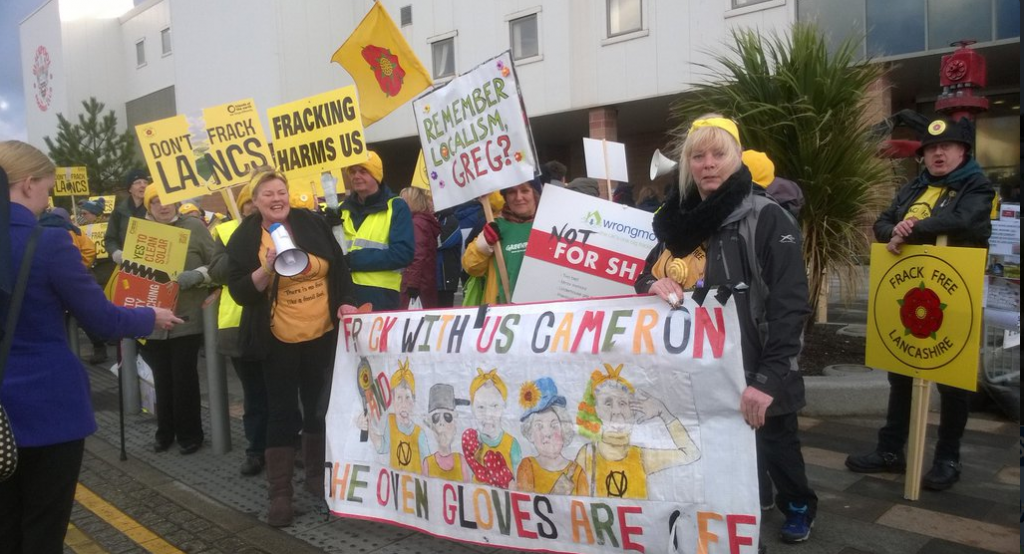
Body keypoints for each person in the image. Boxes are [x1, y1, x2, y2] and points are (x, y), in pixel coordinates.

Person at [634, 115, 817, 542]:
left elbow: (790, 305)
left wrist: (769, 378)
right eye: (698, 156)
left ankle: (798, 506)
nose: (708, 164)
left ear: (737, 159)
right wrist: (651, 283)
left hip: (759, 359)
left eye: (719, 154)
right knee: (728, 444)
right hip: (706, 364)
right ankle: (757, 496)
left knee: (778, 442)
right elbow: (645, 273)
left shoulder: (768, 218)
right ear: (688, 165)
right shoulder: (676, 221)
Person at [0, 140, 181, 554]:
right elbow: (101, 320)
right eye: (47, 189)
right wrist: (150, 317)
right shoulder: (45, 244)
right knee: (43, 528)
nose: (48, 200)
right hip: (46, 408)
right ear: (28, 184)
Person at [845, 115, 994, 491]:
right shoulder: (913, 188)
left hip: (954, 295)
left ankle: (948, 456)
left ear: (963, 151)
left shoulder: (977, 186)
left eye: (946, 147)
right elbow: (881, 223)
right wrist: (893, 231)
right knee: (900, 372)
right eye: (931, 149)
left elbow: (965, 220)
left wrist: (910, 229)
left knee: (952, 380)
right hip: (910, 292)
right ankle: (891, 450)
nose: (938, 153)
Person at [227, 168, 355, 527]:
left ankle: (315, 477)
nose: (276, 198)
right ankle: (280, 493)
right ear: (255, 202)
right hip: (276, 340)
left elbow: (339, 269)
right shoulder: (244, 238)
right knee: (281, 412)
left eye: (280, 191)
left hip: (322, 332)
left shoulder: (310, 223)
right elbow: (239, 292)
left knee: (318, 406)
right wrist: (266, 270)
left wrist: (345, 300)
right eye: (267, 194)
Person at [137, 185, 217, 457]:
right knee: (161, 378)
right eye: (156, 201)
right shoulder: (142, 232)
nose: (163, 206)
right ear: (148, 206)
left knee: (184, 378)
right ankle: (165, 432)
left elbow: (217, 263)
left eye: (167, 200)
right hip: (154, 320)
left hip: (186, 317)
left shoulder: (194, 226)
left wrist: (198, 275)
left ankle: (190, 434)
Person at [208, 179, 271, 476]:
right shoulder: (225, 231)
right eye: (247, 203)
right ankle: (256, 450)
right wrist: (240, 248)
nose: (251, 208)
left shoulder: (279, 229)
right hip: (238, 325)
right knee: (255, 393)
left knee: (282, 391)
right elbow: (217, 272)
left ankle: (285, 446)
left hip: (277, 323)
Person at [573, 364, 699, 499]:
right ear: (595, 410)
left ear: (633, 410)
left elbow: (691, 453)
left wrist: (664, 413)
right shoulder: (586, 456)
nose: (616, 412)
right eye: (608, 404)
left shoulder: (641, 457)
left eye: (622, 403)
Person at [338, 151, 414, 311]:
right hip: (344, 294)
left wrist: (352, 261)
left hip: (381, 296)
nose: (356, 176)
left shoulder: (396, 206)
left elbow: (402, 254)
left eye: (363, 171)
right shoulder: (340, 210)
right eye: (352, 171)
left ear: (376, 175)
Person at [461, 178, 542, 304]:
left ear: (535, 194)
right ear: (505, 197)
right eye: (512, 192)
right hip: (502, 312)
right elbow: (471, 267)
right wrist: (483, 245)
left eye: (525, 191)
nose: (518, 197)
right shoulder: (494, 226)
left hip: (545, 310)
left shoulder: (550, 226)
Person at [517, 378, 588, 495]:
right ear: (530, 433)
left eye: (554, 425)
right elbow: (526, 507)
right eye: (539, 426)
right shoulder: (527, 467)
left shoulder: (577, 473)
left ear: (564, 430)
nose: (547, 433)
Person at [398, 187, 440, 309]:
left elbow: (417, 254)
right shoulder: (423, 221)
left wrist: (412, 283)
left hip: (417, 283)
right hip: (425, 280)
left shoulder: (416, 223)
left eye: (404, 200)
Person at [421, 383, 471, 481]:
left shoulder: (461, 462)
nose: (441, 423)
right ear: (431, 424)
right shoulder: (428, 463)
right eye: (436, 418)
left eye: (447, 417)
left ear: (454, 423)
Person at [104, 168, 150, 266]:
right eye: (137, 182)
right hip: (126, 265)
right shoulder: (119, 211)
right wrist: (116, 252)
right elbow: (110, 239)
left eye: (145, 182)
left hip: (151, 262)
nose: (143, 185)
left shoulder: (155, 209)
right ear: (129, 188)